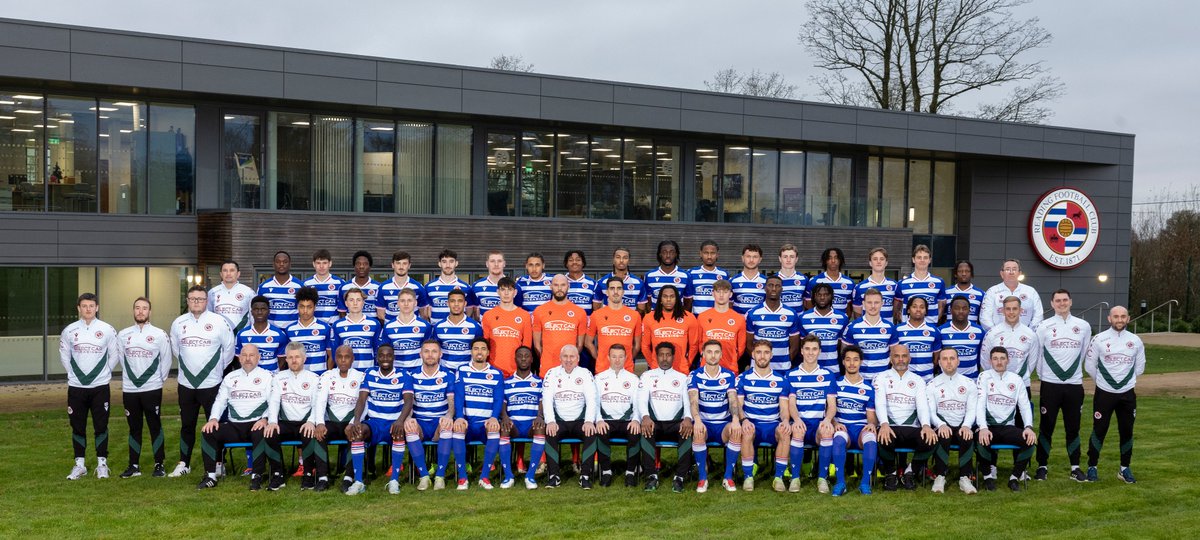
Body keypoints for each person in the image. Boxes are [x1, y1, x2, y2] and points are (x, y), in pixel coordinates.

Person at [169, 285, 235, 478]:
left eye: (200, 298)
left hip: (212, 384)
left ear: (207, 301)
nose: (196, 302)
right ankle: (184, 463)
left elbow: (228, 350)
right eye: (192, 298)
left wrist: (213, 371)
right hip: (186, 384)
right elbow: (176, 350)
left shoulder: (219, 322)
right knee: (187, 425)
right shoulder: (178, 323)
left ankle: (218, 463)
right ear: (187, 301)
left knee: (215, 425)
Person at [1033, 288, 1092, 482]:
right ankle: (1042, 466)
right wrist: (1047, 376)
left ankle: (1075, 467)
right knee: (1046, 426)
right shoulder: (1043, 326)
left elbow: (1083, 353)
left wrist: (1070, 374)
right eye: (1057, 301)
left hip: (1074, 385)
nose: (1061, 303)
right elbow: (1038, 354)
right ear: (1052, 304)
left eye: (1065, 300)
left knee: (1073, 427)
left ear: (1071, 302)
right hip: (1050, 385)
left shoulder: (1083, 326)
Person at [61, 292, 120, 480]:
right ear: (79, 308)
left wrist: (104, 373)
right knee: (77, 425)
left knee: (100, 425)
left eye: (91, 306)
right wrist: (73, 375)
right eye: (84, 306)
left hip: (100, 387)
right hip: (77, 387)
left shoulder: (107, 330)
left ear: (97, 308)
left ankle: (102, 463)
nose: (88, 309)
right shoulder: (69, 330)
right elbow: (65, 356)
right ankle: (80, 464)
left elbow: (114, 355)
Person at [196, 345, 272, 490]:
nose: (247, 359)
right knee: (208, 431)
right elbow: (220, 401)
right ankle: (210, 476)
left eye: (251, 355)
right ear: (239, 357)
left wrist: (265, 419)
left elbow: (273, 403)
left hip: (256, 424)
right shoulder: (230, 377)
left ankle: (257, 476)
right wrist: (213, 419)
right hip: (235, 425)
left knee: (261, 431)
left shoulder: (267, 376)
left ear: (258, 357)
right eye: (244, 355)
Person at [344, 344, 416, 495]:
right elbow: (362, 400)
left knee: (399, 433)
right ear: (377, 358)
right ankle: (358, 482)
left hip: (393, 421)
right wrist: (356, 420)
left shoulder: (404, 375)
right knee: (358, 432)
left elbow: (409, 401)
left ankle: (394, 480)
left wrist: (400, 421)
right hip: (375, 422)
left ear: (393, 357)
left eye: (388, 355)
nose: (385, 358)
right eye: (381, 355)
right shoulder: (369, 373)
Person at [1085, 306, 1144, 484]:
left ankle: (1124, 468)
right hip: (1104, 394)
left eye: (1123, 316)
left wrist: (1124, 384)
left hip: (1127, 395)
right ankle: (1092, 467)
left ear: (1128, 318)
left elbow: (1139, 368)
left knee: (1127, 431)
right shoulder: (1099, 339)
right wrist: (1104, 384)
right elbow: (1089, 365)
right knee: (1099, 430)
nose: (1120, 319)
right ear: (1109, 319)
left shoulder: (1136, 341)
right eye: (1116, 316)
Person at [116, 297, 173, 479]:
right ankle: (133, 465)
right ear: (133, 311)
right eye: (137, 308)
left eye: (144, 308)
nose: (141, 311)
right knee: (134, 427)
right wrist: (133, 380)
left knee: (154, 426)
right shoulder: (123, 334)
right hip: (130, 389)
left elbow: (166, 361)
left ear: (150, 312)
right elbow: (121, 359)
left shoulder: (159, 334)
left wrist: (156, 381)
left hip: (152, 388)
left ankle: (159, 464)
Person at [875, 344, 937, 491]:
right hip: (890, 426)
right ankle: (891, 473)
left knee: (931, 439)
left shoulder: (918, 380)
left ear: (909, 358)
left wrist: (926, 426)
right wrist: (884, 424)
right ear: (891, 359)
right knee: (883, 436)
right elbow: (880, 403)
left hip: (911, 427)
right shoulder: (881, 377)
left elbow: (922, 406)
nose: (901, 360)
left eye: (904, 356)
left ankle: (910, 472)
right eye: (897, 356)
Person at [264, 342, 325, 490]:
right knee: (269, 433)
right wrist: (272, 421)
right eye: (290, 357)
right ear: (286, 359)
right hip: (286, 422)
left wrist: (311, 421)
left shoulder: (314, 378)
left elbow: (317, 404)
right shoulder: (279, 377)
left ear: (304, 358)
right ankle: (278, 475)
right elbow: (274, 401)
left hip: (305, 422)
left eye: (297, 357)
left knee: (308, 433)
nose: (294, 360)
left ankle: (309, 475)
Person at [734, 340, 793, 492]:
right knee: (746, 431)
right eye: (758, 352)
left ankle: (778, 477)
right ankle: (748, 477)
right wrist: (744, 420)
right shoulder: (743, 378)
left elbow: (784, 408)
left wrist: (785, 421)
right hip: (751, 423)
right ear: (753, 354)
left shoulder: (781, 380)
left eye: (766, 352)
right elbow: (738, 406)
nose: (762, 356)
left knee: (785, 432)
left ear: (771, 355)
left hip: (772, 424)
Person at [976, 346, 1037, 492]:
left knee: (1030, 441)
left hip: (1008, 427)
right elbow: (979, 403)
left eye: (1002, 358)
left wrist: (1028, 427)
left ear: (1008, 361)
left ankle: (1014, 478)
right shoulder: (984, 377)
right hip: (989, 426)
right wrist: (983, 427)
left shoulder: (1016, 379)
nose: (999, 362)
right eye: (995, 359)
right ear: (990, 361)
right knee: (979, 439)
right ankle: (987, 477)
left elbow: (1025, 406)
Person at [637, 342, 695, 492]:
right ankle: (651, 476)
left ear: (673, 357)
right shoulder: (647, 376)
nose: (664, 358)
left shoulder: (683, 378)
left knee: (687, 431)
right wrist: (645, 417)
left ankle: (680, 477)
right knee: (646, 431)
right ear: (656, 357)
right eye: (661, 355)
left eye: (668, 355)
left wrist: (688, 418)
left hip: (676, 423)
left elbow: (687, 402)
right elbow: (641, 400)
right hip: (654, 422)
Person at [449, 338, 505, 489]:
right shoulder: (462, 370)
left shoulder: (496, 373)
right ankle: (462, 478)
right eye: (476, 348)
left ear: (488, 352)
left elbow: (498, 399)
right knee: (458, 427)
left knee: (494, 428)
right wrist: (460, 416)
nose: (479, 351)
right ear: (471, 351)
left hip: (484, 423)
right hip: (467, 421)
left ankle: (484, 477)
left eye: (482, 349)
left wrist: (494, 417)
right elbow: (459, 396)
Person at [687, 340, 742, 492]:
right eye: (709, 352)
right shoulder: (695, 375)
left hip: (722, 424)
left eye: (716, 352)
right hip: (704, 423)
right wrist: (697, 420)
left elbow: (733, 400)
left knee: (736, 430)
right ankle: (703, 479)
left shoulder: (729, 375)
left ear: (721, 354)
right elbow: (693, 401)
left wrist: (736, 420)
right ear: (703, 354)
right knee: (697, 431)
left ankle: (728, 477)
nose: (713, 355)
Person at [785, 335, 837, 493]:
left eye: (814, 349)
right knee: (798, 430)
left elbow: (832, 405)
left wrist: (828, 419)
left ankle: (822, 478)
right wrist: (796, 419)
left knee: (827, 430)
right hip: (801, 422)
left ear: (819, 351)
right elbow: (791, 403)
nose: (810, 353)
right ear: (801, 351)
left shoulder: (828, 375)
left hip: (818, 426)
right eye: (807, 349)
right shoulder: (792, 375)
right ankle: (795, 478)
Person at [541, 345, 599, 489]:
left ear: (578, 359)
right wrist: (551, 421)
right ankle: (554, 476)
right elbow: (547, 399)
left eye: (572, 356)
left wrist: (589, 421)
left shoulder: (585, 373)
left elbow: (592, 399)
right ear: (560, 358)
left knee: (591, 433)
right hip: (559, 421)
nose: (568, 360)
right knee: (549, 432)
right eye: (565, 357)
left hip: (579, 420)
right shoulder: (551, 373)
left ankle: (585, 476)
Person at [404, 341, 457, 490]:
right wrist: (408, 418)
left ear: (440, 354)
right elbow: (408, 401)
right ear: (420, 354)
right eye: (426, 351)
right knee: (410, 427)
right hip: (420, 421)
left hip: (439, 421)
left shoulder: (448, 375)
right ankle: (424, 476)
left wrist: (448, 416)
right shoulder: (411, 375)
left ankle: (440, 476)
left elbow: (451, 401)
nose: (430, 355)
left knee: (448, 426)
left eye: (434, 351)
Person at [926, 348, 978, 494]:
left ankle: (965, 478)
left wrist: (967, 426)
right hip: (942, 424)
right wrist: (941, 424)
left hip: (962, 424)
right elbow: (930, 412)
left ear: (958, 361)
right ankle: (940, 476)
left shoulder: (969, 383)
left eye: (952, 358)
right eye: (945, 359)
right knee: (943, 435)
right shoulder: (932, 384)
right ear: (939, 362)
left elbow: (971, 409)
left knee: (966, 435)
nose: (948, 362)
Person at [314, 345, 365, 493]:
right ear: (335, 359)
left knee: (356, 432)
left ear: (352, 359)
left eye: (347, 357)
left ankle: (348, 477)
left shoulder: (360, 377)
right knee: (317, 435)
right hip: (332, 421)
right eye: (340, 357)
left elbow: (364, 404)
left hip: (350, 421)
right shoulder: (327, 376)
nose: (343, 360)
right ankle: (323, 477)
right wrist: (320, 423)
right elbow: (320, 401)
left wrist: (353, 423)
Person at [828, 346, 878, 496]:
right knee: (838, 439)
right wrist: (835, 424)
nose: (852, 363)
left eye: (855, 360)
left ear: (861, 362)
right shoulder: (835, 384)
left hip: (860, 429)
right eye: (848, 360)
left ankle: (864, 484)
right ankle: (840, 482)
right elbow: (829, 410)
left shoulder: (868, 388)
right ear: (843, 362)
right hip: (843, 427)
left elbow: (870, 417)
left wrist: (871, 424)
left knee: (870, 439)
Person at [594, 344, 643, 487]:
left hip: (627, 421)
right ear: (608, 357)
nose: (617, 360)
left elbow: (638, 404)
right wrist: (599, 420)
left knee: (635, 432)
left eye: (620, 357)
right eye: (614, 356)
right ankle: (606, 472)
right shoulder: (599, 378)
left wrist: (635, 420)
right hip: (606, 421)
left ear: (626, 358)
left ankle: (630, 473)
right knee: (601, 432)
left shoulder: (633, 379)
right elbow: (594, 403)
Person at [499, 346, 546, 489]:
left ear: (532, 359)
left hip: (531, 424)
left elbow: (542, 402)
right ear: (515, 359)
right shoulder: (506, 382)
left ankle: (530, 476)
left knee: (540, 427)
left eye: (527, 356)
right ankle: (508, 476)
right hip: (515, 424)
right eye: (520, 356)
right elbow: (502, 404)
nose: (524, 358)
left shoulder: (539, 382)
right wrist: (505, 417)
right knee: (504, 429)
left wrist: (540, 416)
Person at [981, 296, 1040, 397]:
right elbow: (985, 360)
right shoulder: (992, 333)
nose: (1011, 312)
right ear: (1003, 311)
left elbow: (1032, 362)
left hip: (1022, 385)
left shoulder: (1030, 334)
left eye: (1015, 309)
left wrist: (1021, 377)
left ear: (1021, 310)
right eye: (1008, 309)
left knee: (1023, 413)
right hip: (997, 385)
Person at [532, 274, 588, 376]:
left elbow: (579, 345)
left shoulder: (580, 312)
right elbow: (537, 345)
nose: (559, 288)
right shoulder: (539, 311)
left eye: (563, 285)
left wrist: (569, 361)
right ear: (551, 286)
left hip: (571, 370)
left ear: (568, 286)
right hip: (547, 370)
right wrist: (546, 359)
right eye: (556, 285)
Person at [745, 274, 801, 373]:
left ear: (782, 289)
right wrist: (759, 362)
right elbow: (749, 344)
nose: (774, 289)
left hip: (783, 369)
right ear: (765, 288)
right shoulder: (753, 313)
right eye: (770, 285)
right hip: (758, 369)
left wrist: (785, 361)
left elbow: (795, 346)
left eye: (777, 286)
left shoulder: (791, 314)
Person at [640, 285, 701, 374]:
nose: (668, 299)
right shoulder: (649, 318)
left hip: (681, 370)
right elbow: (645, 346)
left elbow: (694, 345)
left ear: (677, 299)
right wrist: (653, 364)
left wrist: (687, 363)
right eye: (665, 296)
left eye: (672, 296)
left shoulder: (689, 317)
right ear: (660, 299)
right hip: (657, 370)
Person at [840, 288, 898, 380]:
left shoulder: (890, 327)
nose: (873, 306)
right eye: (869, 302)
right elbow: (844, 354)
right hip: (860, 379)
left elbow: (895, 355)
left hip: (883, 379)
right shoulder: (852, 327)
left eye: (876, 302)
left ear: (882, 303)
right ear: (863, 304)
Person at [587, 276, 642, 373]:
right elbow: (588, 342)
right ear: (607, 292)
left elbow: (637, 345)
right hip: (603, 370)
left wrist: (627, 359)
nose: (616, 292)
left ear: (623, 292)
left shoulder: (634, 315)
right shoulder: (596, 315)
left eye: (619, 288)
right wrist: (599, 357)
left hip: (627, 370)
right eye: (612, 288)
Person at [482, 277, 533, 377]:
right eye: (503, 289)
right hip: (493, 370)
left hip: (516, 371)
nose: (506, 293)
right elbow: (485, 344)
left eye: (509, 290)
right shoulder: (488, 315)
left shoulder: (524, 315)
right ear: (498, 292)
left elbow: (527, 346)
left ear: (515, 292)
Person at [696, 279, 746, 373]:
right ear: (713, 293)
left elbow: (741, 348)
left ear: (730, 294)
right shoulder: (702, 317)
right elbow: (699, 343)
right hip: (707, 369)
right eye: (718, 291)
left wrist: (730, 358)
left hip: (730, 369)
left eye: (725, 292)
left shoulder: (739, 319)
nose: (721, 295)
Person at [799, 283, 850, 374]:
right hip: (810, 370)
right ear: (814, 297)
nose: (822, 298)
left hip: (833, 369)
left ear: (831, 296)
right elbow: (802, 346)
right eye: (819, 295)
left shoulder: (842, 318)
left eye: (826, 295)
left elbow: (841, 345)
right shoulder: (804, 317)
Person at [378, 288, 434, 371]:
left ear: (415, 303)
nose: (406, 304)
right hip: (396, 372)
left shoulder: (425, 326)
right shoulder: (388, 326)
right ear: (398, 303)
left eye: (409, 300)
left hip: (418, 371)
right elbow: (384, 351)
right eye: (402, 301)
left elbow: (428, 350)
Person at [980, 259, 1043, 331]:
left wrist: (1028, 333)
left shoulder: (1031, 291)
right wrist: (996, 333)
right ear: (1002, 273)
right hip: (998, 338)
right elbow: (985, 317)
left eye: (1014, 269)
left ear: (1019, 273)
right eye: (1007, 269)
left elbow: (1038, 315)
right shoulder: (992, 291)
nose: (1011, 272)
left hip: (1025, 337)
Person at [432, 288, 484, 372]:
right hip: (445, 372)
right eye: (452, 301)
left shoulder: (475, 327)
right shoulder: (438, 327)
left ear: (465, 303)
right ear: (448, 303)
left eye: (460, 301)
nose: (456, 304)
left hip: (467, 372)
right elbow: (435, 351)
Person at [285, 287, 334, 373]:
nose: (305, 311)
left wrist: (328, 375)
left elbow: (331, 355)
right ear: (297, 307)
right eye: (302, 307)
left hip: (319, 376)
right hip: (297, 377)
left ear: (315, 307)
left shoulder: (325, 328)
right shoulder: (289, 330)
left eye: (309, 307)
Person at [332, 288, 381, 372]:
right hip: (347, 373)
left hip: (368, 372)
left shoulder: (374, 324)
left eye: (358, 300)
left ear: (363, 302)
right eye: (351, 300)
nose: (355, 303)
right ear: (346, 303)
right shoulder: (337, 325)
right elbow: (335, 352)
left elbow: (378, 350)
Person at [236, 295, 289, 373]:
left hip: (272, 379)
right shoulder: (242, 334)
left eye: (263, 309)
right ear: (252, 312)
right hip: (250, 378)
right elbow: (239, 358)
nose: (260, 312)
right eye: (256, 309)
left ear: (268, 311)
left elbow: (282, 359)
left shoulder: (279, 334)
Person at [894, 296, 942, 381]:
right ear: (908, 310)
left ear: (926, 311)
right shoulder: (897, 330)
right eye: (914, 306)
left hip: (927, 380)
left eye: (922, 307)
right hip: (903, 380)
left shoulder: (934, 331)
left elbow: (936, 359)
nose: (918, 309)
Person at [896, 244, 946, 325]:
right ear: (913, 259)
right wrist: (902, 321)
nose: (922, 260)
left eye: (925, 257)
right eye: (919, 257)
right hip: (908, 328)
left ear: (930, 260)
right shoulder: (902, 283)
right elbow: (897, 307)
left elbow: (942, 305)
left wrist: (934, 321)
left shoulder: (939, 282)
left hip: (930, 327)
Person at [937, 296, 985, 379]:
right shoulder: (941, 331)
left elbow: (980, 357)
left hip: (972, 379)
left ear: (969, 310)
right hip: (947, 380)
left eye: (964, 308)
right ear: (951, 310)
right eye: (957, 308)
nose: (961, 311)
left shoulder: (979, 331)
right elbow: (938, 357)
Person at [591, 247, 647, 312]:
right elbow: (596, 307)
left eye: (625, 258)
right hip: (608, 321)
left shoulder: (639, 283)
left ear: (629, 261)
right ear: (613, 260)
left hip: (629, 321)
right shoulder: (602, 282)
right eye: (618, 257)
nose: (621, 260)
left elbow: (641, 309)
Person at [424, 248, 472, 323]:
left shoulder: (466, 287)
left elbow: (469, 311)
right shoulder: (429, 286)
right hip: (437, 331)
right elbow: (426, 312)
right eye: (444, 262)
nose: (448, 265)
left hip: (459, 331)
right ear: (439, 264)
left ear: (456, 263)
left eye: (451, 261)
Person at [377, 251, 428, 321]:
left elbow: (424, 314)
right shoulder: (383, 288)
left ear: (409, 265)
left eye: (404, 263)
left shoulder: (418, 288)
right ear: (392, 265)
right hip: (391, 330)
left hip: (413, 330)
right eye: (398, 263)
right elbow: (380, 315)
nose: (401, 267)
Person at [256, 251, 302, 330]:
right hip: (271, 332)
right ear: (273, 264)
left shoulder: (299, 286)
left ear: (290, 264)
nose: (281, 264)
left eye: (285, 262)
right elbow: (256, 309)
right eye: (278, 262)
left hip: (293, 331)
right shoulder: (263, 287)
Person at [207, 259, 254, 333]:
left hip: (241, 337)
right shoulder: (212, 293)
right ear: (221, 274)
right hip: (219, 336)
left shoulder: (248, 292)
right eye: (225, 270)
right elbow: (208, 316)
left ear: (238, 274)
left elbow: (253, 317)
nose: (228, 273)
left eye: (232, 270)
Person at [685, 239, 729, 315]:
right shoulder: (691, 273)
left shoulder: (724, 274)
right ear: (700, 254)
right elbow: (688, 299)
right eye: (706, 253)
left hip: (717, 318)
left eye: (712, 253)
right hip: (696, 318)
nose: (709, 256)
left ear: (717, 255)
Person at [853, 247, 898, 320]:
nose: (878, 261)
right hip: (868, 330)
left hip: (888, 330)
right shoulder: (860, 287)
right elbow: (857, 314)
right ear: (870, 263)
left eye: (882, 259)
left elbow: (897, 310)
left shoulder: (894, 285)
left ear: (886, 263)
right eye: (875, 259)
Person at [806, 247, 854, 315]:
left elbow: (849, 307)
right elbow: (809, 304)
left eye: (836, 258)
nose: (833, 260)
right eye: (830, 258)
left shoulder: (849, 283)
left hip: (841, 323)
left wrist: (844, 321)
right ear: (825, 261)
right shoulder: (814, 281)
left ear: (840, 260)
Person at [645, 240, 690, 312]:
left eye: (671, 252)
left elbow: (688, 300)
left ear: (676, 254)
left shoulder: (685, 275)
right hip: (656, 319)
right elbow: (648, 302)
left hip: (677, 319)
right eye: (664, 252)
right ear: (660, 254)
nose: (668, 255)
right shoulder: (649, 275)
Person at [304, 249, 346, 324]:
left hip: (333, 326)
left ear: (330, 263)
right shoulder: (306, 284)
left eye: (324, 263)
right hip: (314, 326)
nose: (321, 266)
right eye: (318, 263)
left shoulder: (340, 283)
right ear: (313, 264)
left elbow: (344, 309)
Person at [339, 250, 381, 318]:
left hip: (372, 327)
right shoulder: (344, 287)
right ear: (354, 266)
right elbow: (342, 312)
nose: (361, 266)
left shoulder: (378, 287)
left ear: (370, 267)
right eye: (358, 264)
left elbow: (381, 312)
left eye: (365, 264)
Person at [944, 260, 985, 324]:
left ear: (971, 274)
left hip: (972, 332)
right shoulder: (946, 292)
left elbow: (983, 317)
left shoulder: (981, 294)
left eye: (967, 271)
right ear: (955, 274)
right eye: (960, 271)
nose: (964, 274)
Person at [730, 244, 766, 315]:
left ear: (760, 259)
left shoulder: (766, 282)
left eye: (755, 257)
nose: (751, 260)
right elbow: (728, 306)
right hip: (739, 324)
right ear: (742, 258)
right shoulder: (732, 282)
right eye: (748, 256)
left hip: (758, 324)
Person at [470, 250, 507, 319]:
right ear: (487, 264)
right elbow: (474, 312)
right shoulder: (476, 286)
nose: (496, 264)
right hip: (484, 329)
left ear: (504, 264)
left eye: (499, 261)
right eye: (492, 261)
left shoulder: (514, 286)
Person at [563, 250, 598, 316]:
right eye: (571, 260)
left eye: (578, 260)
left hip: (586, 324)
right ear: (566, 264)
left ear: (583, 263)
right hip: (566, 324)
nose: (574, 262)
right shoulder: (560, 282)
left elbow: (596, 310)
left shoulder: (593, 284)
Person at [776, 243, 807, 313]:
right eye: (785, 257)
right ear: (780, 259)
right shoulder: (773, 280)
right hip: (780, 321)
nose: (788, 260)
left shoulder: (804, 279)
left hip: (798, 321)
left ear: (796, 259)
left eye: (792, 257)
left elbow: (807, 302)